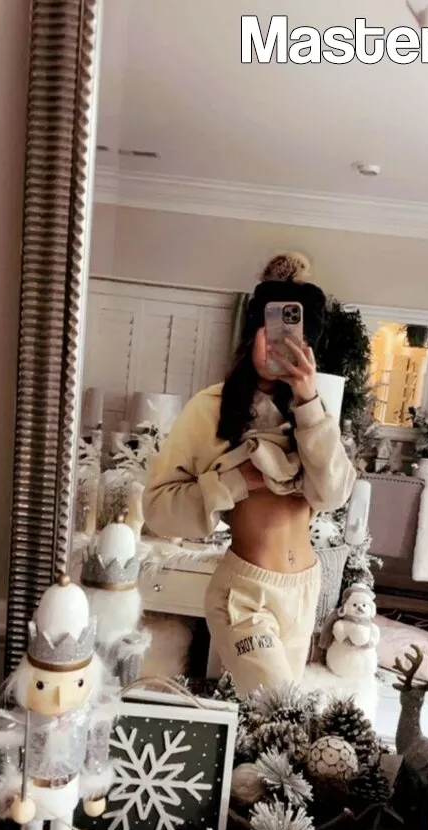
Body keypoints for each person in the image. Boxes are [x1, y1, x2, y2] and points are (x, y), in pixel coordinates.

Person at [143, 253, 356, 693]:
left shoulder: (314, 412)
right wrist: (237, 482)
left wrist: (308, 401)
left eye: (295, 336)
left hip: (304, 590)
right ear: (254, 331)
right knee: (282, 707)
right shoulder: (211, 408)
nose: (281, 345)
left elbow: (333, 494)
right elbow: (158, 509)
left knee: (270, 724)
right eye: (273, 330)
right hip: (245, 596)